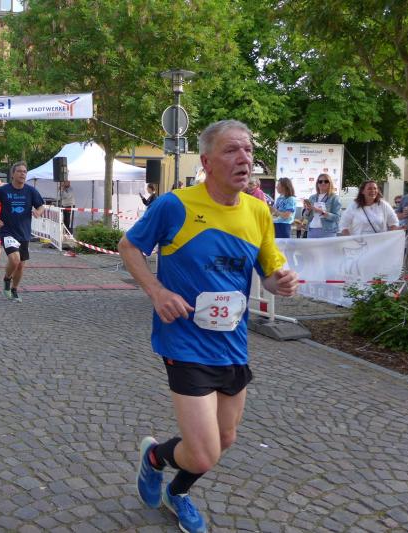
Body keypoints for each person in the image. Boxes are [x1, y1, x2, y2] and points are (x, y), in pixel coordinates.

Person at [118, 119, 297, 533]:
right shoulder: (175, 205)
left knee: (224, 439)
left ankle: (174, 489)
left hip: (232, 343)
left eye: (249, 150)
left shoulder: (258, 210)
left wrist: (281, 282)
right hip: (183, 341)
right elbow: (129, 246)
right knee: (202, 453)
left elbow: (269, 272)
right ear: (207, 162)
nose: (244, 158)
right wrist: (157, 292)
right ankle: (155, 459)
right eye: (232, 150)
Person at [0, 161, 45, 303]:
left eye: (24, 172)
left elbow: (41, 206)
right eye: (19, 171)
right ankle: (7, 280)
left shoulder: (30, 191)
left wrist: (38, 212)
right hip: (7, 231)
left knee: (20, 266)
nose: (22, 174)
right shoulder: (4, 190)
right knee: (15, 259)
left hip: (24, 232)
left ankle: (14, 290)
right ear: (13, 174)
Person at [303, 173, 342, 238]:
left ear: (330, 183)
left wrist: (322, 212)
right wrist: (308, 210)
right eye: (320, 181)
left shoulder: (334, 198)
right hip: (312, 230)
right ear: (317, 184)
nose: (323, 183)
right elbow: (307, 218)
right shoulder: (312, 197)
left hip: (328, 232)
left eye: (326, 181)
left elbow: (337, 218)